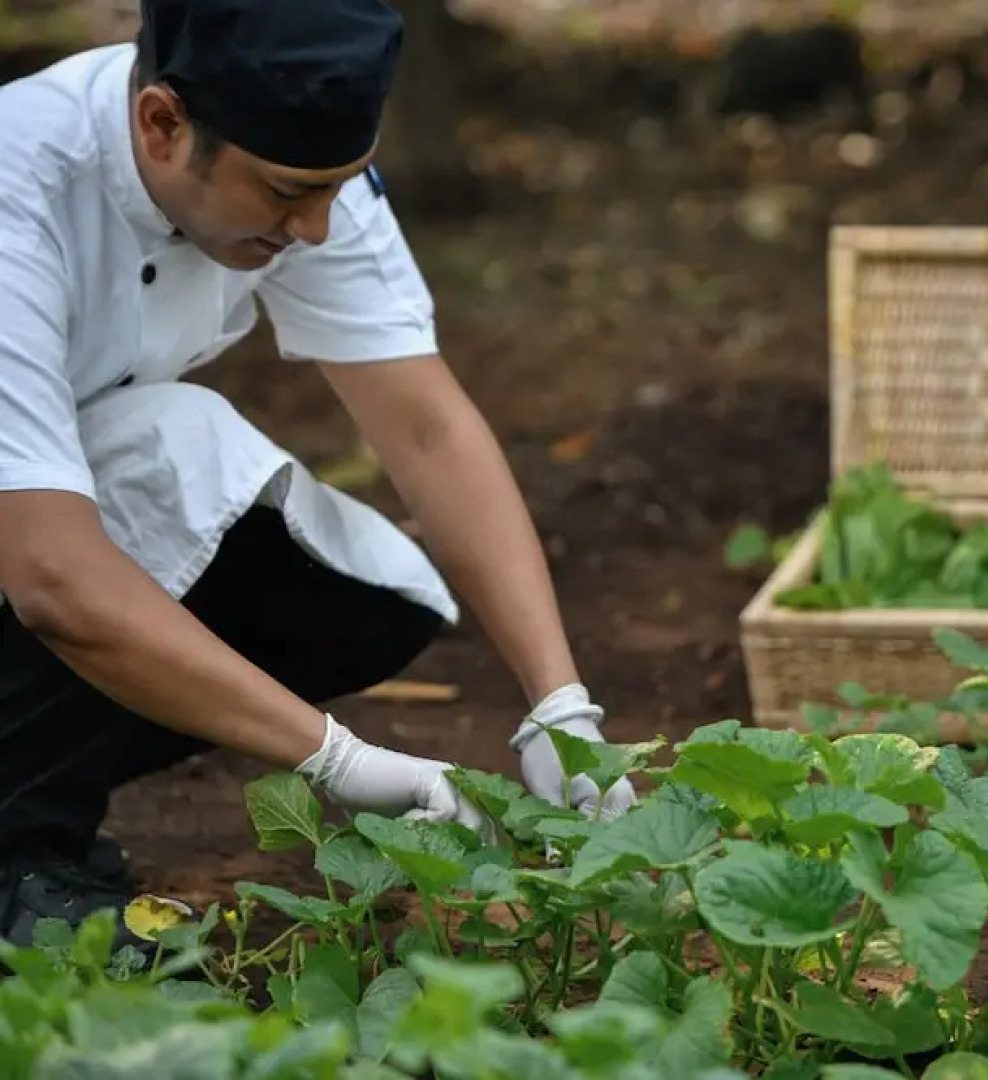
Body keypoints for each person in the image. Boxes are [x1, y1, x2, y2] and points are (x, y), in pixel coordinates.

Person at [0, 0, 637, 958]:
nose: (322, 229)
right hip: (27, 545)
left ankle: (27, 819)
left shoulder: (287, 179)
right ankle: (19, 858)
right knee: (156, 467)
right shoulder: (22, 186)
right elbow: (50, 573)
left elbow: (425, 428)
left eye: (339, 187)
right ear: (163, 124)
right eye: (290, 193)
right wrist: (333, 758)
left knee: (349, 595)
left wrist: (561, 703)